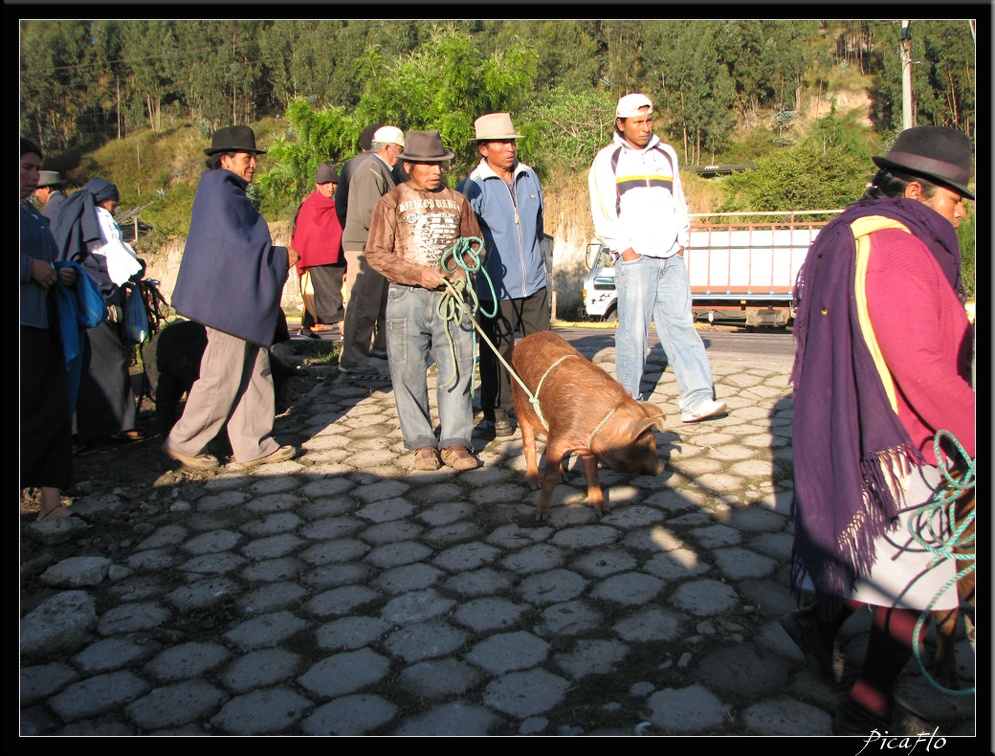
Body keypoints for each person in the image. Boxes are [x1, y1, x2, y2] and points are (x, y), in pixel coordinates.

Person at [783, 126, 976, 735]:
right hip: (897, 439)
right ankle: (865, 708)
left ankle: (818, 627)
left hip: (853, 423)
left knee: (869, 554)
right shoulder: (896, 248)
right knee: (918, 583)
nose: (962, 210)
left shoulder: (852, 229)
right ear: (917, 189)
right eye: (953, 198)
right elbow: (918, 364)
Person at [164, 125, 298, 469]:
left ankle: (254, 444)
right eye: (246, 157)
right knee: (222, 375)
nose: (253, 163)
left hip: (236, 301)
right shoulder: (220, 192)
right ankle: (184, 442)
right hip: (229, 304)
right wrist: (281, 257)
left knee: (256, 369)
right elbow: (237, 249)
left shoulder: (227, 191)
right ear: (225, 159)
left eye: (254, 157)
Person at [588, 93, 726, 423]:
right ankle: (628, 405)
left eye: (649, 120)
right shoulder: (608, 160)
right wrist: (627, 250)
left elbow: (678, 198)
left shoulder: (667, 155)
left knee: (682, 327)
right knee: (633, 333)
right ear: (620, 124)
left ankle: (697, 399)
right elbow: (603, 211)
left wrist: (681, 240)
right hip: (636, 259)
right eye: (638, 122)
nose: (645, 127)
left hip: (671, 258)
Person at [365, 130, 484, 472]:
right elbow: (376, 254)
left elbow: (474, 243)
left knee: (459, 368)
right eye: (427, 165)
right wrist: (419, 274)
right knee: (407, 371)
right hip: (407, 297)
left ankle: (456, 442)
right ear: (408, 166)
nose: (436, 171)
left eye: (440, 164)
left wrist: (463, 270)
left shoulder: (459, 200)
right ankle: (421, 444)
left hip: (452, 297)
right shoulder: (392, 202)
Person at [457, 113, 550, 438]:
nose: (509, 148)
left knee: (542, 350)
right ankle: (498, 411)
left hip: (535, 282)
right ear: (484, 148)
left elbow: (537, 225)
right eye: (501, 142)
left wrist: (537, 263)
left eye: (511, 141)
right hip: (494, 287)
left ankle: (542, 407)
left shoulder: (529, 177)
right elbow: (466, 239)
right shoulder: (472, 188)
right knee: (497, 352)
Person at [50, 177, 145, 443]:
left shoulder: (77, 219)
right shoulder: (100, 219)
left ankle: (93, 427)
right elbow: (116, 261)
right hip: (101, 301)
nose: (114, 209)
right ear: (104, 200)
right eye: (114, 204)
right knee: (113, 360)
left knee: (92, 364)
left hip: (83, 302)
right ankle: (120, 425)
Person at [20, 138, 77, 521]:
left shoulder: (34, 215)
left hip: (44, 322)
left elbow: (46, 260)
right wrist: (27, 267)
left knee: (55, 408)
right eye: (25, 167)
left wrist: (59, 270)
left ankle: (51, 503)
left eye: (35, 168)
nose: (33, 175)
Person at [338, 125, 406, 378]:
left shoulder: (380, 170)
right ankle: (353, 359)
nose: (401, 156)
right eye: (400, 150)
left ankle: (375, 352)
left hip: (375, 247)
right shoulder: (370, 171)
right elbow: (371, 214)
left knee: (377, 303)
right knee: (363, 304)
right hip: (365, 248)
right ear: (388, 148)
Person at [292, 163, 345, 339]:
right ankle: (346, 330)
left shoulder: (333, 205)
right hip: (318, 257)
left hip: (334, 255)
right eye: (325, 183)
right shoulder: (310, 206)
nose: (330, 187)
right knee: (329, 294)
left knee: (320, 293)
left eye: (333, 183)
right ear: (317, 185)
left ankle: (306, 326)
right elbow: (307, 234)